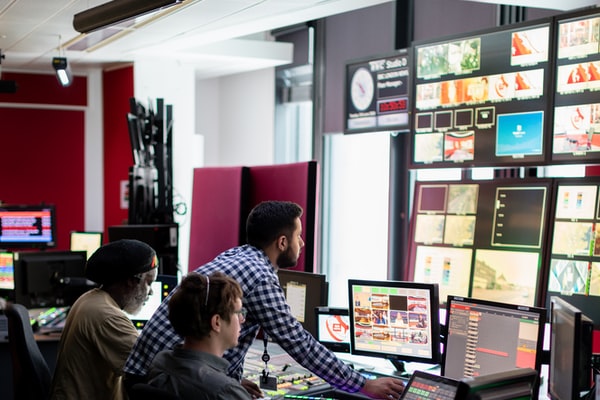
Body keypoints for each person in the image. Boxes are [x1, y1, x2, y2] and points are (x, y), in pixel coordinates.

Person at [125, 200, 405, 399]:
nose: (302, 243)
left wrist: (230, 381)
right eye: (298, 236)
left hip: (154, 375)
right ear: (282, 242)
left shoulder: (236, 255)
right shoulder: (260, 276)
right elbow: (298, 341)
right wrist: (363, 384)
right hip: (179, 381)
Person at [50, 239, 159, 400]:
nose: (151, 292)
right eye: (148, 282)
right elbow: (152, 367)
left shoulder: (91, 298)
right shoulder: (108, 316)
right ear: (131, 281)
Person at [146, 272, 251, 399]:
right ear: (217, 322)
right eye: (238, 313)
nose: (242, 319)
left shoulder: (161, 361)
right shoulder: (225, 391)